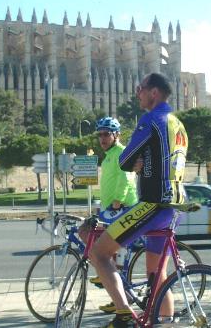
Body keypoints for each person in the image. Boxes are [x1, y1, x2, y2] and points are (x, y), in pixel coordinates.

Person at [89, 73, 188, 328]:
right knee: (158, 275)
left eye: (140, 89)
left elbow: (125, 160)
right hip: (176, 205)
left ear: (153, 92)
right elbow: (163, 160)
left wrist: (136, 164)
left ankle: (123, 314)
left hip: (154, 204)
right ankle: (164, 323)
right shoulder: (177, 123)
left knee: (99, 253)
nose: (137, 94)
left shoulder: (151, 120)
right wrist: (144, 165)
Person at [78, 116, 138, 313]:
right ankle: (110, 278)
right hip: (109, 208)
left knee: (92, 238)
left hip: (121, 208)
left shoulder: (121, 151)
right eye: (100, 134)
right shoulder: (109, 155)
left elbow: (126, 177)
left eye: (106, 134)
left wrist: (117, 201)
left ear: (116, 135)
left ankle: (107, 273)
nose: (102, 138)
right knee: (85, 232)